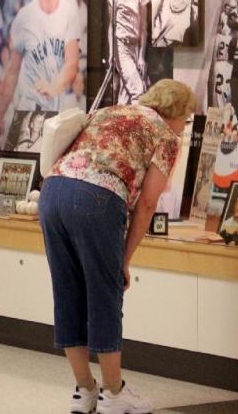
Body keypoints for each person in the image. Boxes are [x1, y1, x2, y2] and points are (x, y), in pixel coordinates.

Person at [39, 79, 196, 414]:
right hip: (97, 197)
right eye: (188, 118)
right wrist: (123, 260)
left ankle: (84, 390)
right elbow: (147, 205)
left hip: (52, 192)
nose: (185, 127)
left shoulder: (109, 110)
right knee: (104, 295)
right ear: (178, 113)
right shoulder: (167, 136)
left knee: (67, 292)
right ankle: (114, 393)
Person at [0, 0, 81, 143]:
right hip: (28, 112)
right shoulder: (24, 17)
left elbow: (72, 64)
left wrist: (53, 87)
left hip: (56, 114)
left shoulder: (69, 11)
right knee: (19, 171)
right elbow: (12, 73)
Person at [107, 0, 150, 104]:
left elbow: (143, 27)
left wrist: (141, 56)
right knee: (139, 92)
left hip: (135, 47)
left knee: (125, 98)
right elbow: (112, 26)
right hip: (121, 47)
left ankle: (119, 127)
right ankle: (138, 129)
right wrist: (112, 52)